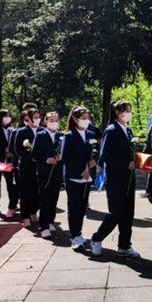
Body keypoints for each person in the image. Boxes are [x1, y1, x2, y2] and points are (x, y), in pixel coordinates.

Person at [90, 100, 141, 258]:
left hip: (129, 178)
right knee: (116, 213)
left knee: (128, 213)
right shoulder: (111, 131)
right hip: (115, 179)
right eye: (126, 110)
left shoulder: (128, 130)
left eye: (130, 110)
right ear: (118, 113)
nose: (129, 114)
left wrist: (139, 161)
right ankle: (96, 238)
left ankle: (124, 245)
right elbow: (105, 156)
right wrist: (124, 164)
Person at [62, 106, 96, 251]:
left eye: (88, 118)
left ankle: (79, 233)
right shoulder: (69, 136)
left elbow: (91, 153)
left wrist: (92, 161)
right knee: (74, 206)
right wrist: (80, 171)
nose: (86, 121)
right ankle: (74, 236)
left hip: (86, 177)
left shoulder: (89, 134)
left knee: (82, 207)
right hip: (73, 177)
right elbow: (66, 159)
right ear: (75, 120)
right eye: (83, 118)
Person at [31, 111, 63, 239]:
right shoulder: (40, 135)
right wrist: (46, 159)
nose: (54, 123)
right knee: (45, 199)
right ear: (46, 121)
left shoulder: (61, 136)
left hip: (57, 172)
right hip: (44, 172)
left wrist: (61, 157)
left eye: (56, 120)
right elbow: (34, 155)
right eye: (51, 120)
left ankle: (50, 221)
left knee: (54, 197)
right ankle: (43, 226)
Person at [14, 108, 42, 227]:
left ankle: (33, 211)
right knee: (26, 191)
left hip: (40, 166)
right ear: (28, 119)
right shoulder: (21, 131)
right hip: (26, 166)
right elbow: (17, 149)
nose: (37, 119)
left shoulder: (43, 131)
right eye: (35, 117)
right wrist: (29, 157)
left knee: (37, 191)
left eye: (39, 117)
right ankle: (25, 216)